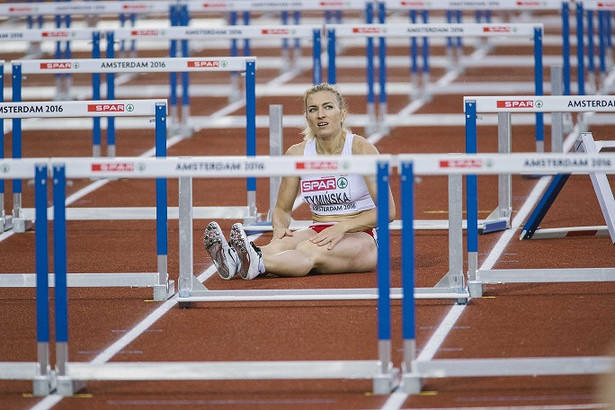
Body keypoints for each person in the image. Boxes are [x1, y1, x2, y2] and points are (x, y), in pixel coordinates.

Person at [203, 83, 396, 280]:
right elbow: (282, 209)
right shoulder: (297, 154)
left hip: (362, 235)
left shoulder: (361, 149)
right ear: (307, 118)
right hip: (318, 229)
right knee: (280, 245)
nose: (321, 114)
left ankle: (258, 262)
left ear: (343, 113)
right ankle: (233, 258)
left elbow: (387, 211)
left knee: (309, 248)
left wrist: (342, 227)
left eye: (328, 107)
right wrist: (279, 227)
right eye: (313, 109)